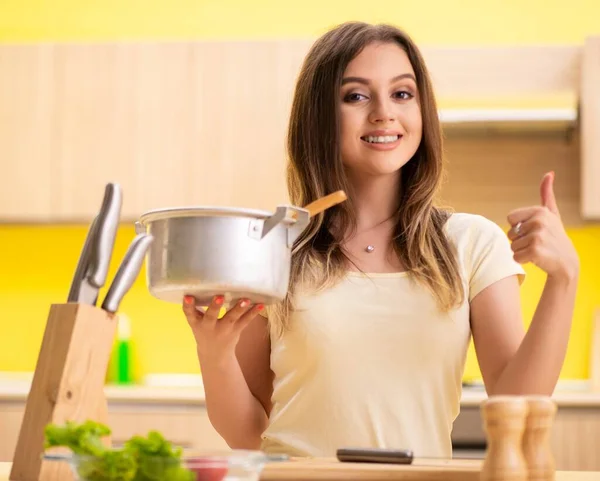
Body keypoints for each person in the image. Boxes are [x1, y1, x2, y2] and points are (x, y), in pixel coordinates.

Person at [182, 21, 580, 459]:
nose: (384, 113)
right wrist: (214, 354)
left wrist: (564, 280)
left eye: (402, 94)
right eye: (355, 95)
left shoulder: (472, 244)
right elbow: (249, 433)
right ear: (319, 117)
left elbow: (516, 403)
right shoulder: (275, 250)